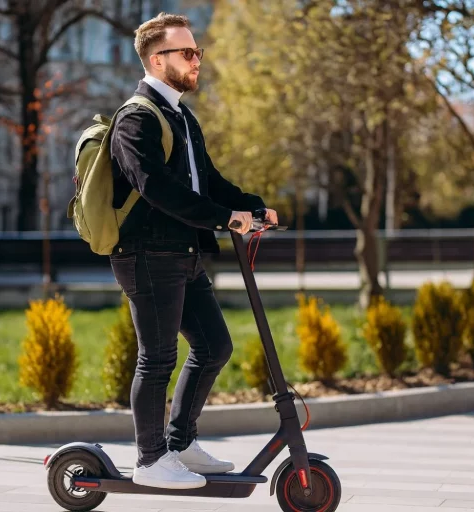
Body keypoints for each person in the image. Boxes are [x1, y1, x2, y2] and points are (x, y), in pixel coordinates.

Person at [107, 12, 278, 490]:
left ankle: (179, 444)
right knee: (157, 358)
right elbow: (158, 189)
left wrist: (251, 206)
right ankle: (150, 460)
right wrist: (224, 219)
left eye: (197, 51)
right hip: (147, 255)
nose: (197, 59)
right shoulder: (136, 119)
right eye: (187, 52)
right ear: (157, 60)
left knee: (214, 346)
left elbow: (208, 181)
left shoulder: (181, 116)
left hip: (183, 253)